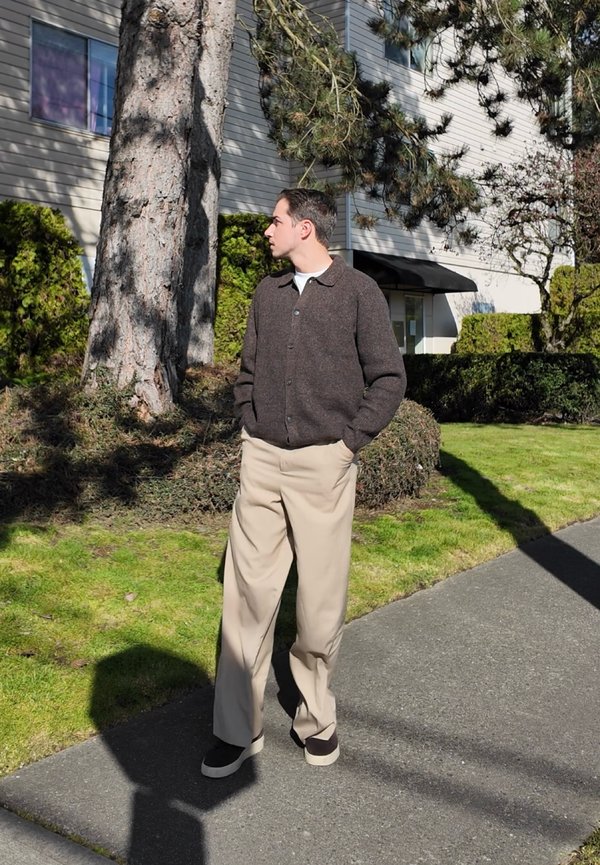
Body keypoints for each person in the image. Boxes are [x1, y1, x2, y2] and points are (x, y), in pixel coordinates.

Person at [201, 188, 406, 779]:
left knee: (317, 607)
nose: (267, 230)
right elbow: (247, 370)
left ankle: (316, 718)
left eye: (276, 221)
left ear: (306, 228)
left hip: (325, 466)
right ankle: (236, 731)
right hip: (261, 461)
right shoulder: (267, 294)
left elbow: (389, 378)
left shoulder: (358, 292)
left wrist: (348, 444)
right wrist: (250, 424)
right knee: (245, 602)